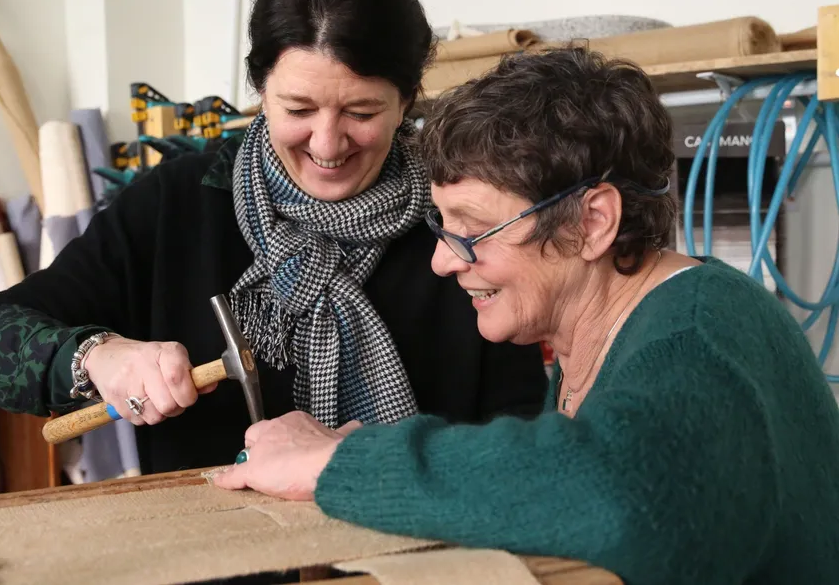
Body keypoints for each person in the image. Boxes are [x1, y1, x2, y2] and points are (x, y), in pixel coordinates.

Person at [212, 48, 839, 584]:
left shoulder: (699, 335)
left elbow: (622, 497)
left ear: (593, 222)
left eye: (476, 229)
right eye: (442, 225)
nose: (441, 262)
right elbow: (564, 467)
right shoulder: (603, 336)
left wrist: (339, 465)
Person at [0, 0, 547, 476]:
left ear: (407, 100)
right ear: (261, 91)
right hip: (216, 559)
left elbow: (524, 433)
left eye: (362, 113)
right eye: (299, 109)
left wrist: (379, 465)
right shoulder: (179, 204)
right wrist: (95, 357)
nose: (327, 144)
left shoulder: (464, 218)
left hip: (424, 553)